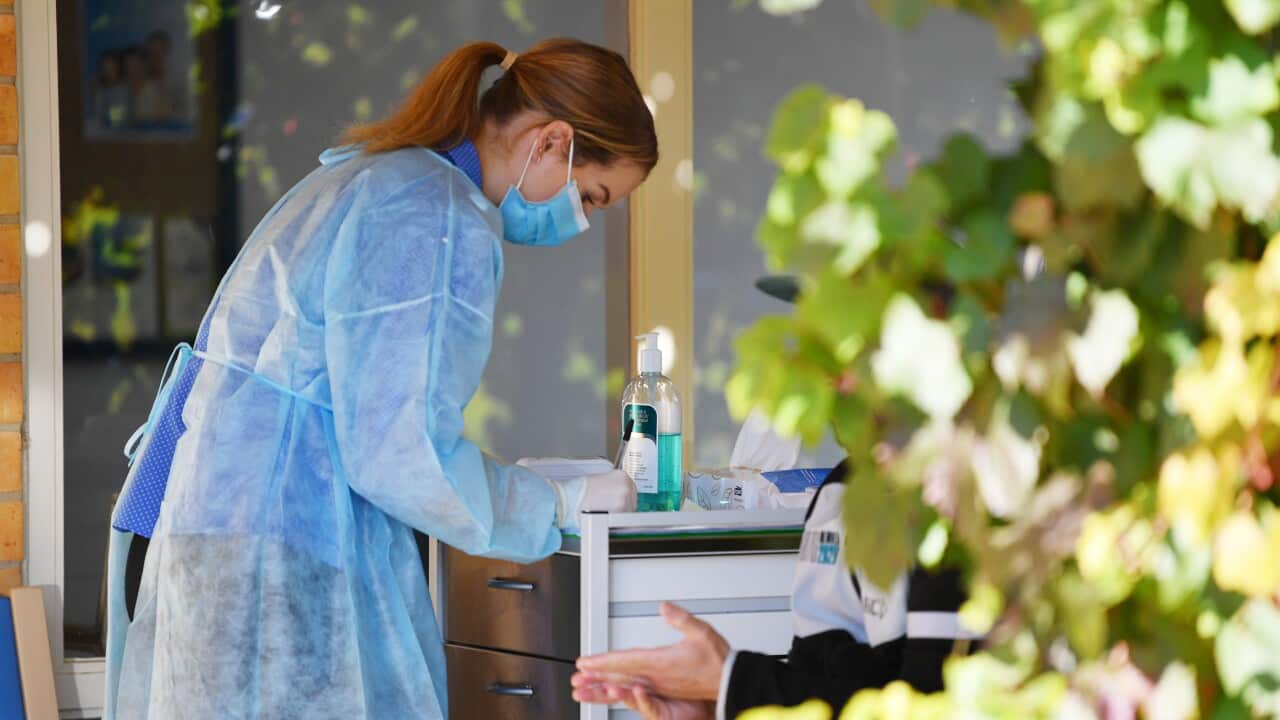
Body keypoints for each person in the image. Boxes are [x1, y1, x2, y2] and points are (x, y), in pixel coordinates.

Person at [103, 38, 656, 719]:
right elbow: (402, 454)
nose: (583, 218)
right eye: (593, 196)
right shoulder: (435, 221)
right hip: (281, 552)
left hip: (225, 530)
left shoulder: (371, 180)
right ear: (552, 143)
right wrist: (556, 506)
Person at [572, 286, 978, 720]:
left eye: (855, 350)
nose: (832, 378)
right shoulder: (841, 494)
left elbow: (934, 703)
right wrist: (719, 705)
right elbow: (823, 681)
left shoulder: (960, 507)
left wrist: (732, 683)